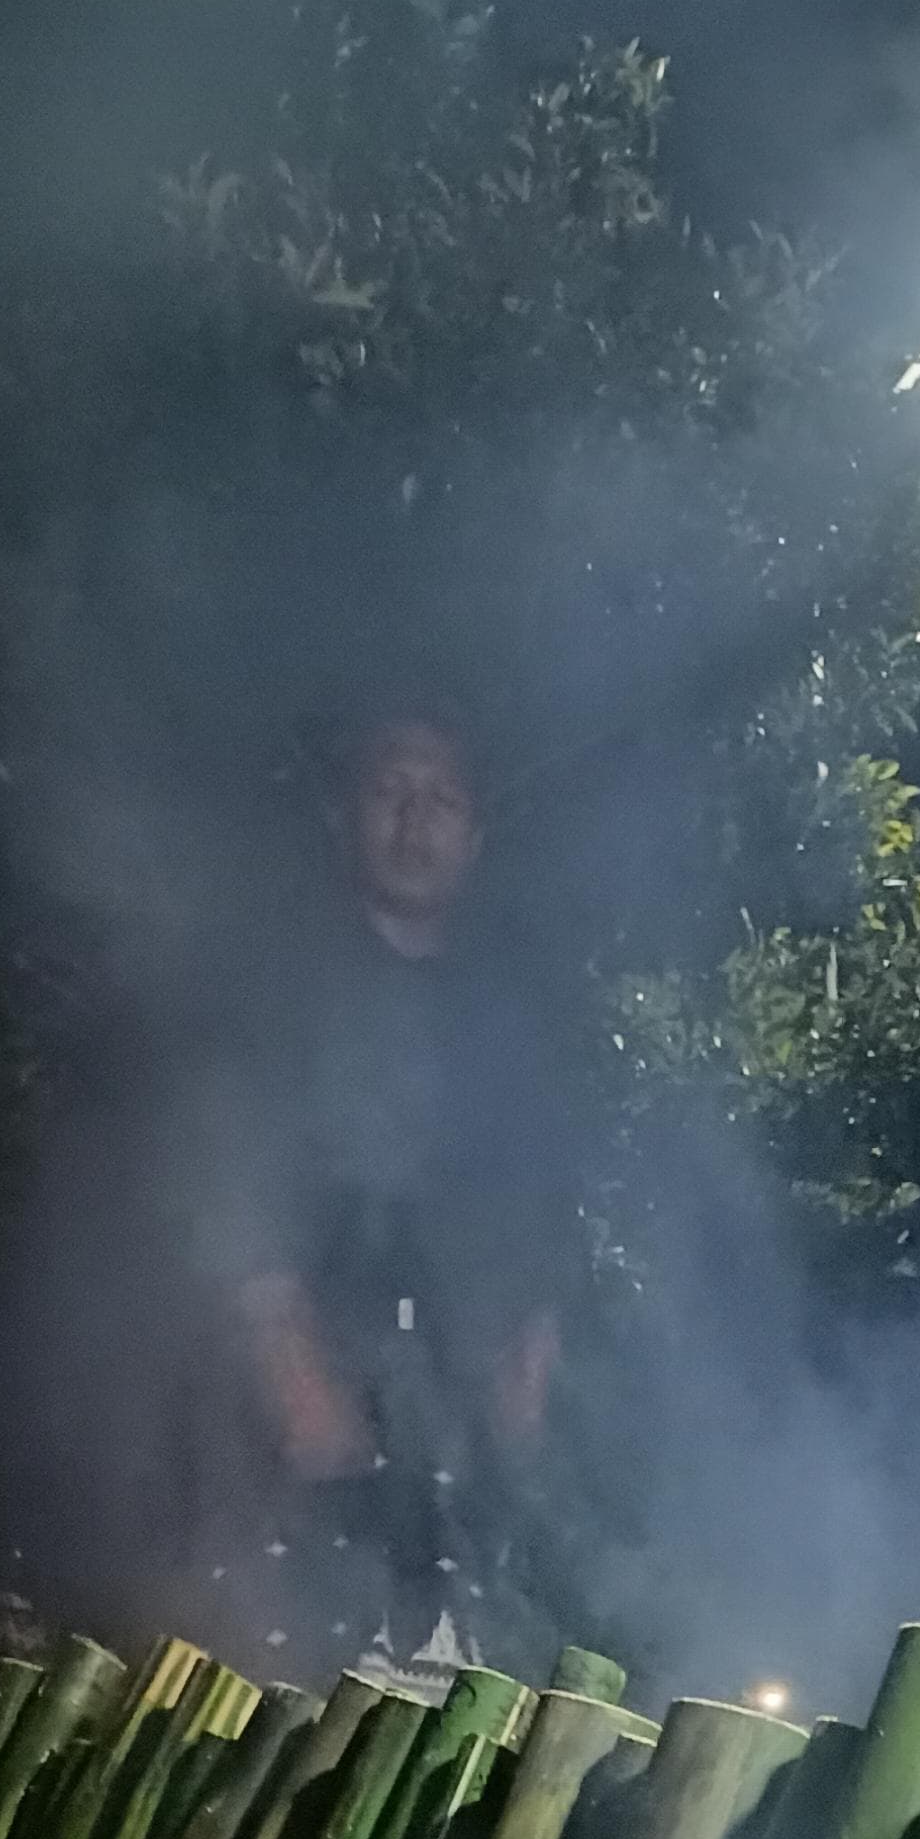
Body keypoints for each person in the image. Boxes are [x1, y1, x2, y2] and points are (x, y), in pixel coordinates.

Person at [182, 708, 570, 1674]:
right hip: (297, 1404)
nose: (415, 820)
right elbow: (229, 1174)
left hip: (454, 1415)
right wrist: (290, 1366)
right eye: (391, 791)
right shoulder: (277, 980)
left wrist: (529, 1365)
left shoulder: (506, 1009)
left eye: (442, 799)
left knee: (441, 1685)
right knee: (277, 1682)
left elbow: (540, 1203)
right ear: (347, 816)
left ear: (472, 837)